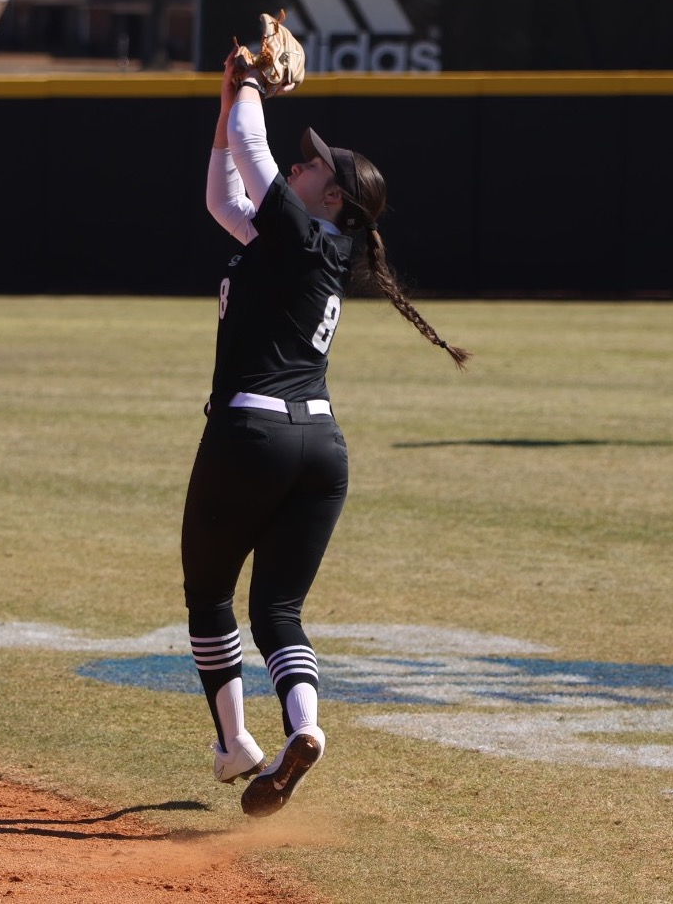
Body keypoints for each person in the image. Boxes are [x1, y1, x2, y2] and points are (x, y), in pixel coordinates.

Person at [184, 47, 469, 819]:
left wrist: (249, 80)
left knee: (210, 592)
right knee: (279, 609)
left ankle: (235, 743)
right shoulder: (306, 245)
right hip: (321, 449)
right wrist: (225, 98)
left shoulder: (304, 237)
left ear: (331, 193)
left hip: (253, 434)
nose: (299, 168)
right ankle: (304, 728)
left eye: (311, 165)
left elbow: (252, 152)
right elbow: (223, 194)